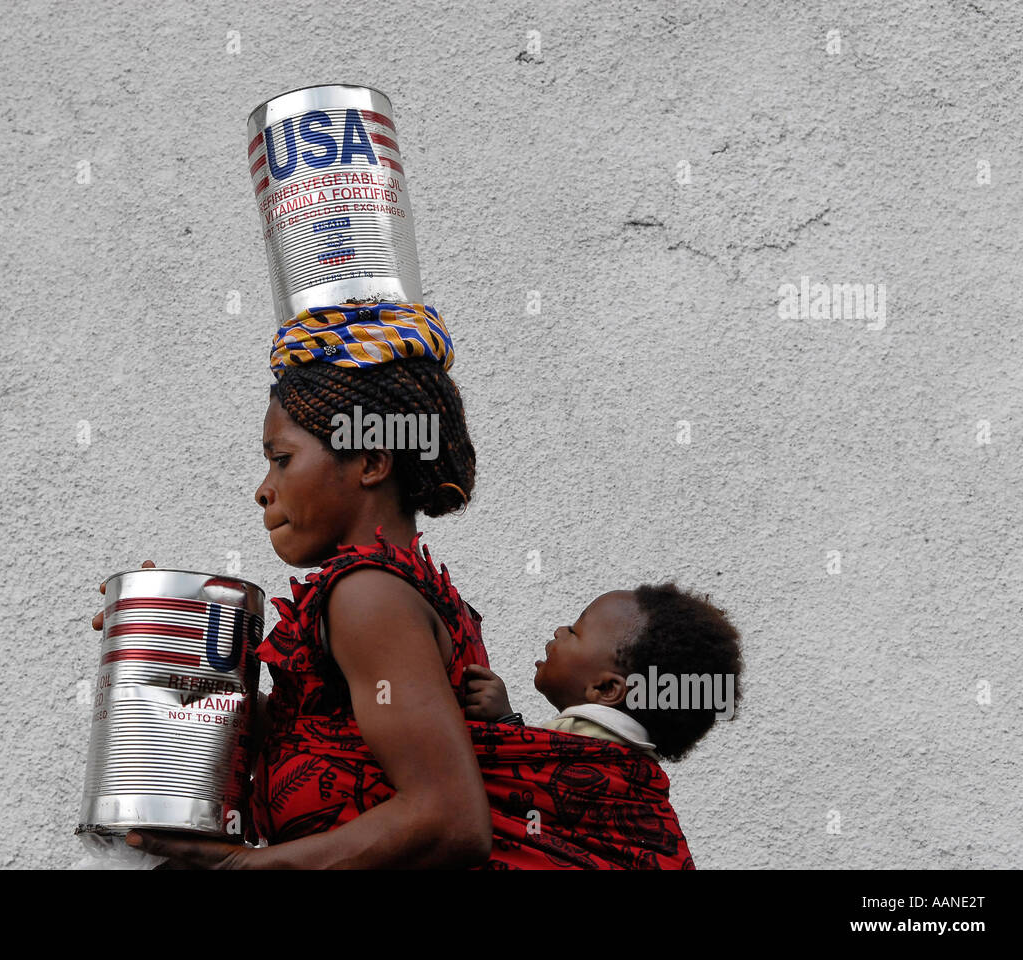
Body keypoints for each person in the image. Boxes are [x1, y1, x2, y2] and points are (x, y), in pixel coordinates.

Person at [109, 302, 495, 868]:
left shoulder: (369, 596)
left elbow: (451, 820)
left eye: (282, 459)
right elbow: (321, 744)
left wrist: (240, 865)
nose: (264, 490)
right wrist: (162, 631)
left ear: (369, 461)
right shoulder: (396, 587)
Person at [460, 584, 744, 868]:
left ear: (606, 688)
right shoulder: (628, 770)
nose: (559, 630)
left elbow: (524, 779)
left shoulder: (582, 742)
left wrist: (503, 725)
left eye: (574, 631)